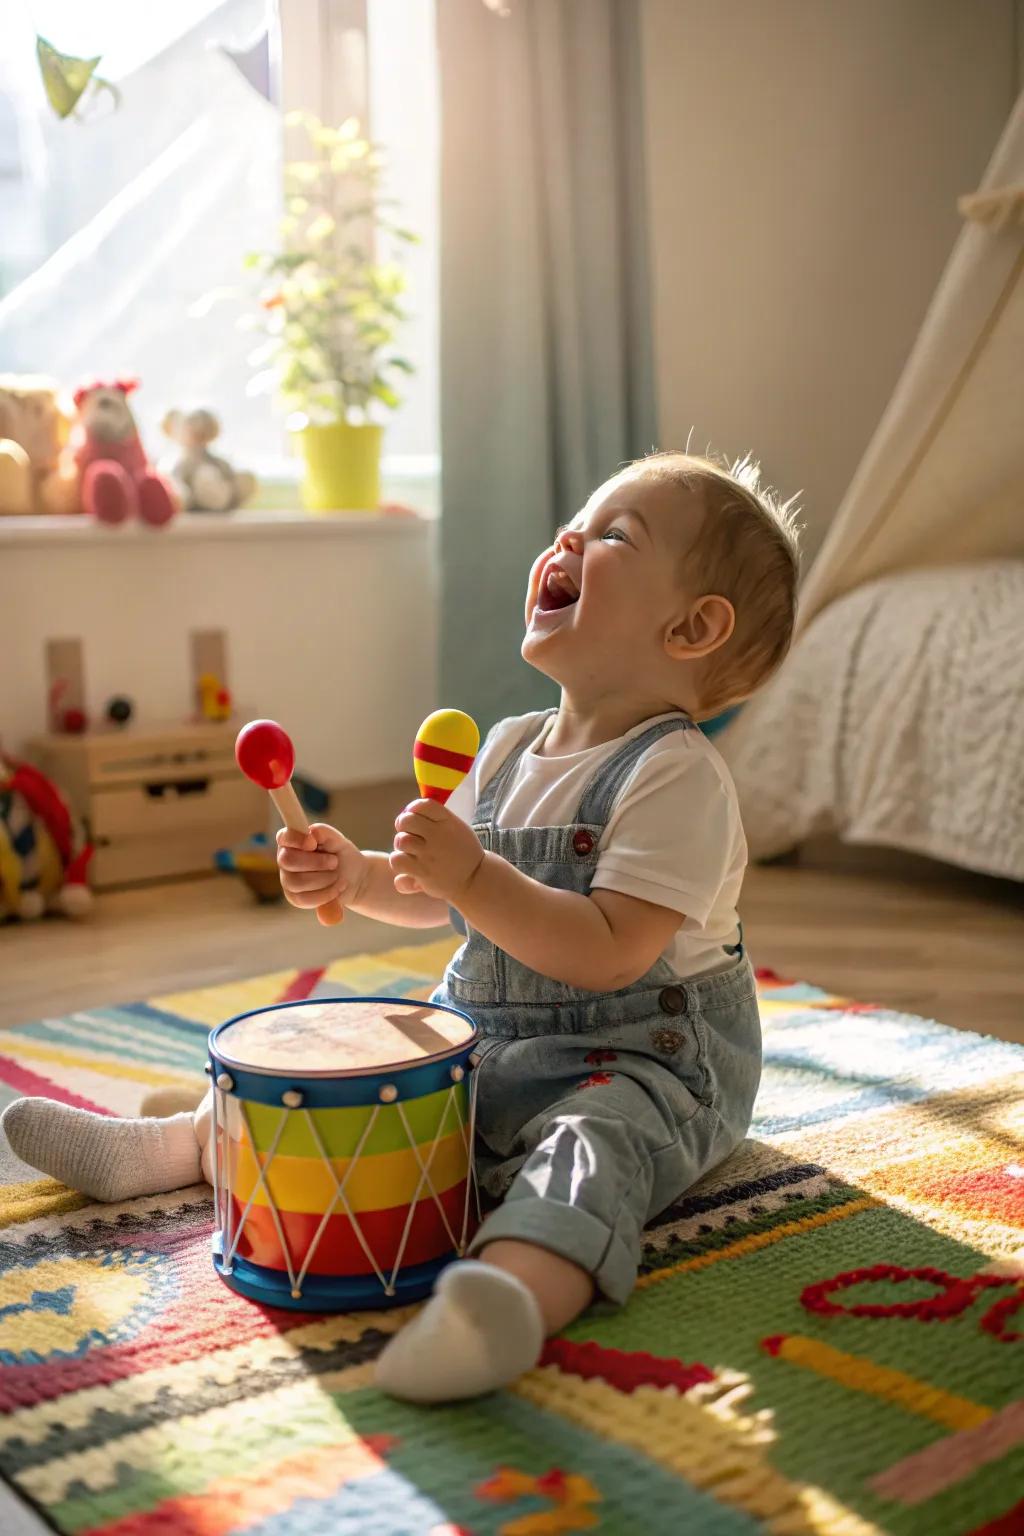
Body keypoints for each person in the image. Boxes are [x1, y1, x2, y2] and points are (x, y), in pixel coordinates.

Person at [3, 450, 800, 1405]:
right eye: (574, 523)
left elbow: (608, 951)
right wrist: (359, 872)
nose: (569, 540)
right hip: (491, 1039)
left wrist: (474, 872)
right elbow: (437, 894)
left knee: (592, 1149)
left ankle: (508, 1295)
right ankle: (181, 1145)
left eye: (615, 534)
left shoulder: (676, 776)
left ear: (693, 626)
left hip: (641, 1063)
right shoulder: (506, 748)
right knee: (350, 1064)